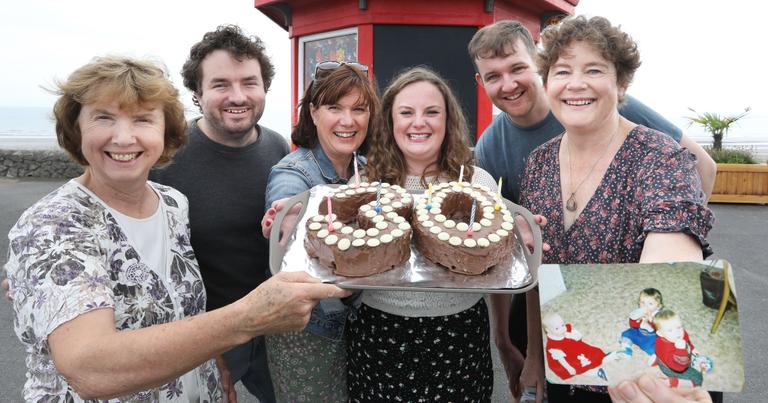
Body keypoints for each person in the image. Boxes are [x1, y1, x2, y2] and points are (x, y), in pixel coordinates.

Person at [3, 56, 349, 402]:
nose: (124, 138)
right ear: (75, 129)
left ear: (166, 132)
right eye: (103, 117)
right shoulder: (53, 225)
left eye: (142, 119)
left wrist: (211, 363)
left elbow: (182, 308)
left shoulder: (171, 204)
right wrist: (247, 318)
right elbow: (90, 369)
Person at [467, 19, 718, 399]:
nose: (576, 83)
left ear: (621, 84)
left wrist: (656, 364)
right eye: (563, 71)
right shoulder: (537, 163)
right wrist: (536, 353)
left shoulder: (659, 157)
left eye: (594, 70)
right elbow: (541, 268)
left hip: (650, 371)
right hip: (571, 363)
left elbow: (671, 247)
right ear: (549, 81)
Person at [149, 25, 289, 402]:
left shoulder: (278, 148)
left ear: (265, 88)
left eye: (249, 82)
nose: (238, 96)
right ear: (197, 93)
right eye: (221, 84)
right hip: (201, 332)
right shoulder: (164, 157)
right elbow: (109, 211)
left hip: (274, 325)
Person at [353, 66, 495, 401]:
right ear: (390, 121)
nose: (419, 123)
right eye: (406, 113)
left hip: (459, 335)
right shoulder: (364, 185)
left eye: (432, 112)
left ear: (449, 120)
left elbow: (499, 263)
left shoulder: (478, 184)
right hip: (380, 334)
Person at [261, 61, 379, 402]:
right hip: (306, 331)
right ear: (313, 113)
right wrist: (285, 219)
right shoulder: (293, 171)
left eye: (359, 109)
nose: (347, 120)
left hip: (361, 323)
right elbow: (287, 209)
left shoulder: (370, 167)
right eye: (334, 107)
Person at [542, 313, 608, 382]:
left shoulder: (564, 331)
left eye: (562, 325)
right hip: (564, 361)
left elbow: (578, 337)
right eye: (557, 328)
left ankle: (603, 357)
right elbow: (561, 359)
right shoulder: (553, 346)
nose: (562, 329)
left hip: (571, 348)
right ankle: (597, 373)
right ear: (548, 330)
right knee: (578, 367)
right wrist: (569, 368)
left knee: (589, 351)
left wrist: (572, 336)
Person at [653, 309, 710, 388]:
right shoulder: (665, 347)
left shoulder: (680, 334)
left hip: (676, 359)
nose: (677, 332)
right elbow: (679, 368)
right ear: (660, 334)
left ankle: (656, 360)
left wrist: (692, 348)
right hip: (671, 367)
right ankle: (671, 382)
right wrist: (681, 350)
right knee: (698, 379)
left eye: (679, 327)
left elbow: (687, 340)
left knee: (694, 364)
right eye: (670, 330)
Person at [618, 288, 664, 360]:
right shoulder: (640, 313)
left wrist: (650, 321)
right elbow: (633, 326)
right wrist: (636, 319)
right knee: (626, 334)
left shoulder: (659, 316)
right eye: (642, 303)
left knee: (654, 348)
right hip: (639, 332)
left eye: (650, 304)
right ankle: (626, 349)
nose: (645, 306)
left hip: (651, 338)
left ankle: (656, 358)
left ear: (658, 306)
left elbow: (661, 329)